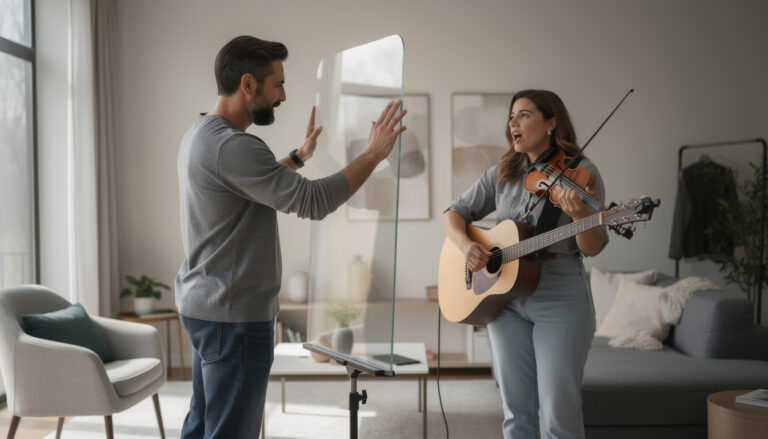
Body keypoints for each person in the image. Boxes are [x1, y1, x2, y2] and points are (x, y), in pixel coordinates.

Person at [175, 35, 406, 439]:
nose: (282, 95)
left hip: (205, 306)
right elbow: (314, 202)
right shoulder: (234, 145)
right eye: (277, 84)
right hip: (235, 318)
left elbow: (249, 185)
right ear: (248, 84)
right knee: (230, 431)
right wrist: (374, 154)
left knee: (202, 425)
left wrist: (298, 157)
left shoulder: (202, 133)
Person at [443, 89, 607, 439]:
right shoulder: (503, 172)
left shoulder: (582, 172)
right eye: (511, 116)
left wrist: (579, 213)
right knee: (516, 411)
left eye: (524, 115)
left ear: (551, 123)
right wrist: (467, 244)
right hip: (504, 297)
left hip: (559, 294)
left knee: (558, 412)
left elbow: (593, 247)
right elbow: (454, 213)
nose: (513, 123)